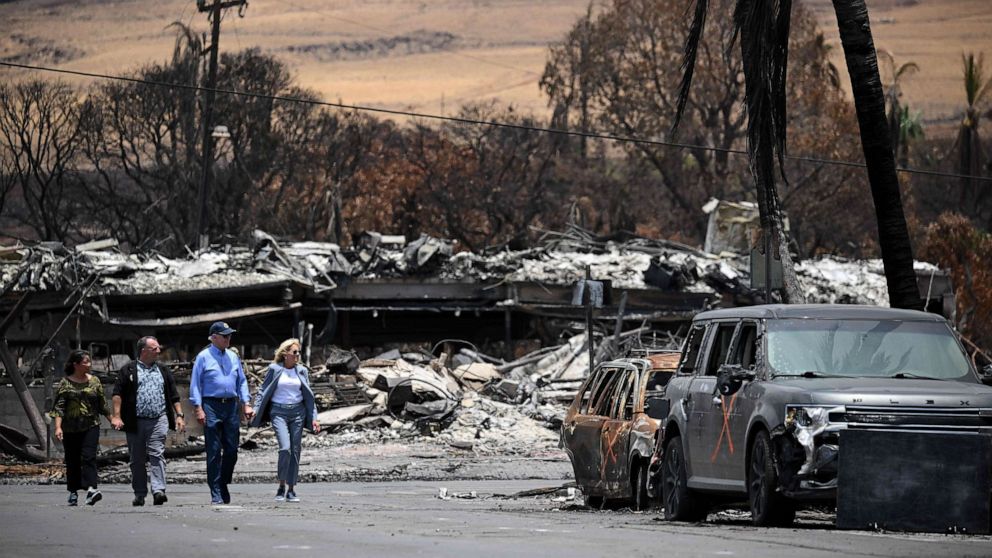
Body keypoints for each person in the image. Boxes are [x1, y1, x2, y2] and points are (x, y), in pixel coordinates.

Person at [111, 336, 186, 506]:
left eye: (159, 348)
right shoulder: (128, 370)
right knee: (137, 459)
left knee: (156, 454)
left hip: (158, 419)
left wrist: (179, 416)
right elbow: (117, 394)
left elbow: (174, 395)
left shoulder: (163, 370)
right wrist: (116, 416)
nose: (159, 351)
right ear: (143, 351)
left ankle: (158, 490)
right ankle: (139, 493)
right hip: (135, 422)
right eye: (155, 349)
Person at [189, 321, 254, 505]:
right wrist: (198, 408)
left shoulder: (233, 357)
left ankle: (224, 480)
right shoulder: (203, 357)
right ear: (214, 337)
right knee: (214, 450)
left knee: (232, 450)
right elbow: (195, 384)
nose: (228, 339)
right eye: (225, 336)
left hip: (231, 406)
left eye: (229, 335)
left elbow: (241, 381)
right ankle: (216, 490)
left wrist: (246, 403)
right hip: (211, 404)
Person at [251, 338, 321, 502]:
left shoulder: (302, 370)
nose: (297, 355)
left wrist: (315, 418)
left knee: (295, 450)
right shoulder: (275, 369)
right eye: (294, 352)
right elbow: (262, 391)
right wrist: (255, 409)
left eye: (299, 352)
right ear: (285, 354)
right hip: (278, 412)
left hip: (298, 412)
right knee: (285, 448)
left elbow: (309, 396)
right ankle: (281, 485)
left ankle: (291, 489)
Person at [50, 350, 112, 506]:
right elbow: (59, 407)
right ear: (76, 364)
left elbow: (102, 405)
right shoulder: (65, 383)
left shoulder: (95, 381)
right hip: (70, 428)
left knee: (89, 456)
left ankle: (92, 489)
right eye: (86, 362)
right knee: (72, 460)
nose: (89, 365)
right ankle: (73, 491)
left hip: (91, 424)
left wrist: (112, 419)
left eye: (89, 361)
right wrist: (58, 427)